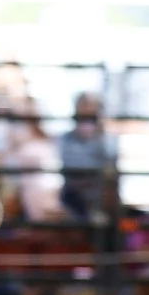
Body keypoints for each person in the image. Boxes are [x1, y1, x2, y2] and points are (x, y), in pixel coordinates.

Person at [59, 91, 119, 223]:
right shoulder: (66, 139)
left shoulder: (108, 140)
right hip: (74, 196)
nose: (86, 112)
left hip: (102, 195)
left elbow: (110, 169)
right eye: (83, 107)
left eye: (91, 107)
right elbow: (71, 166)